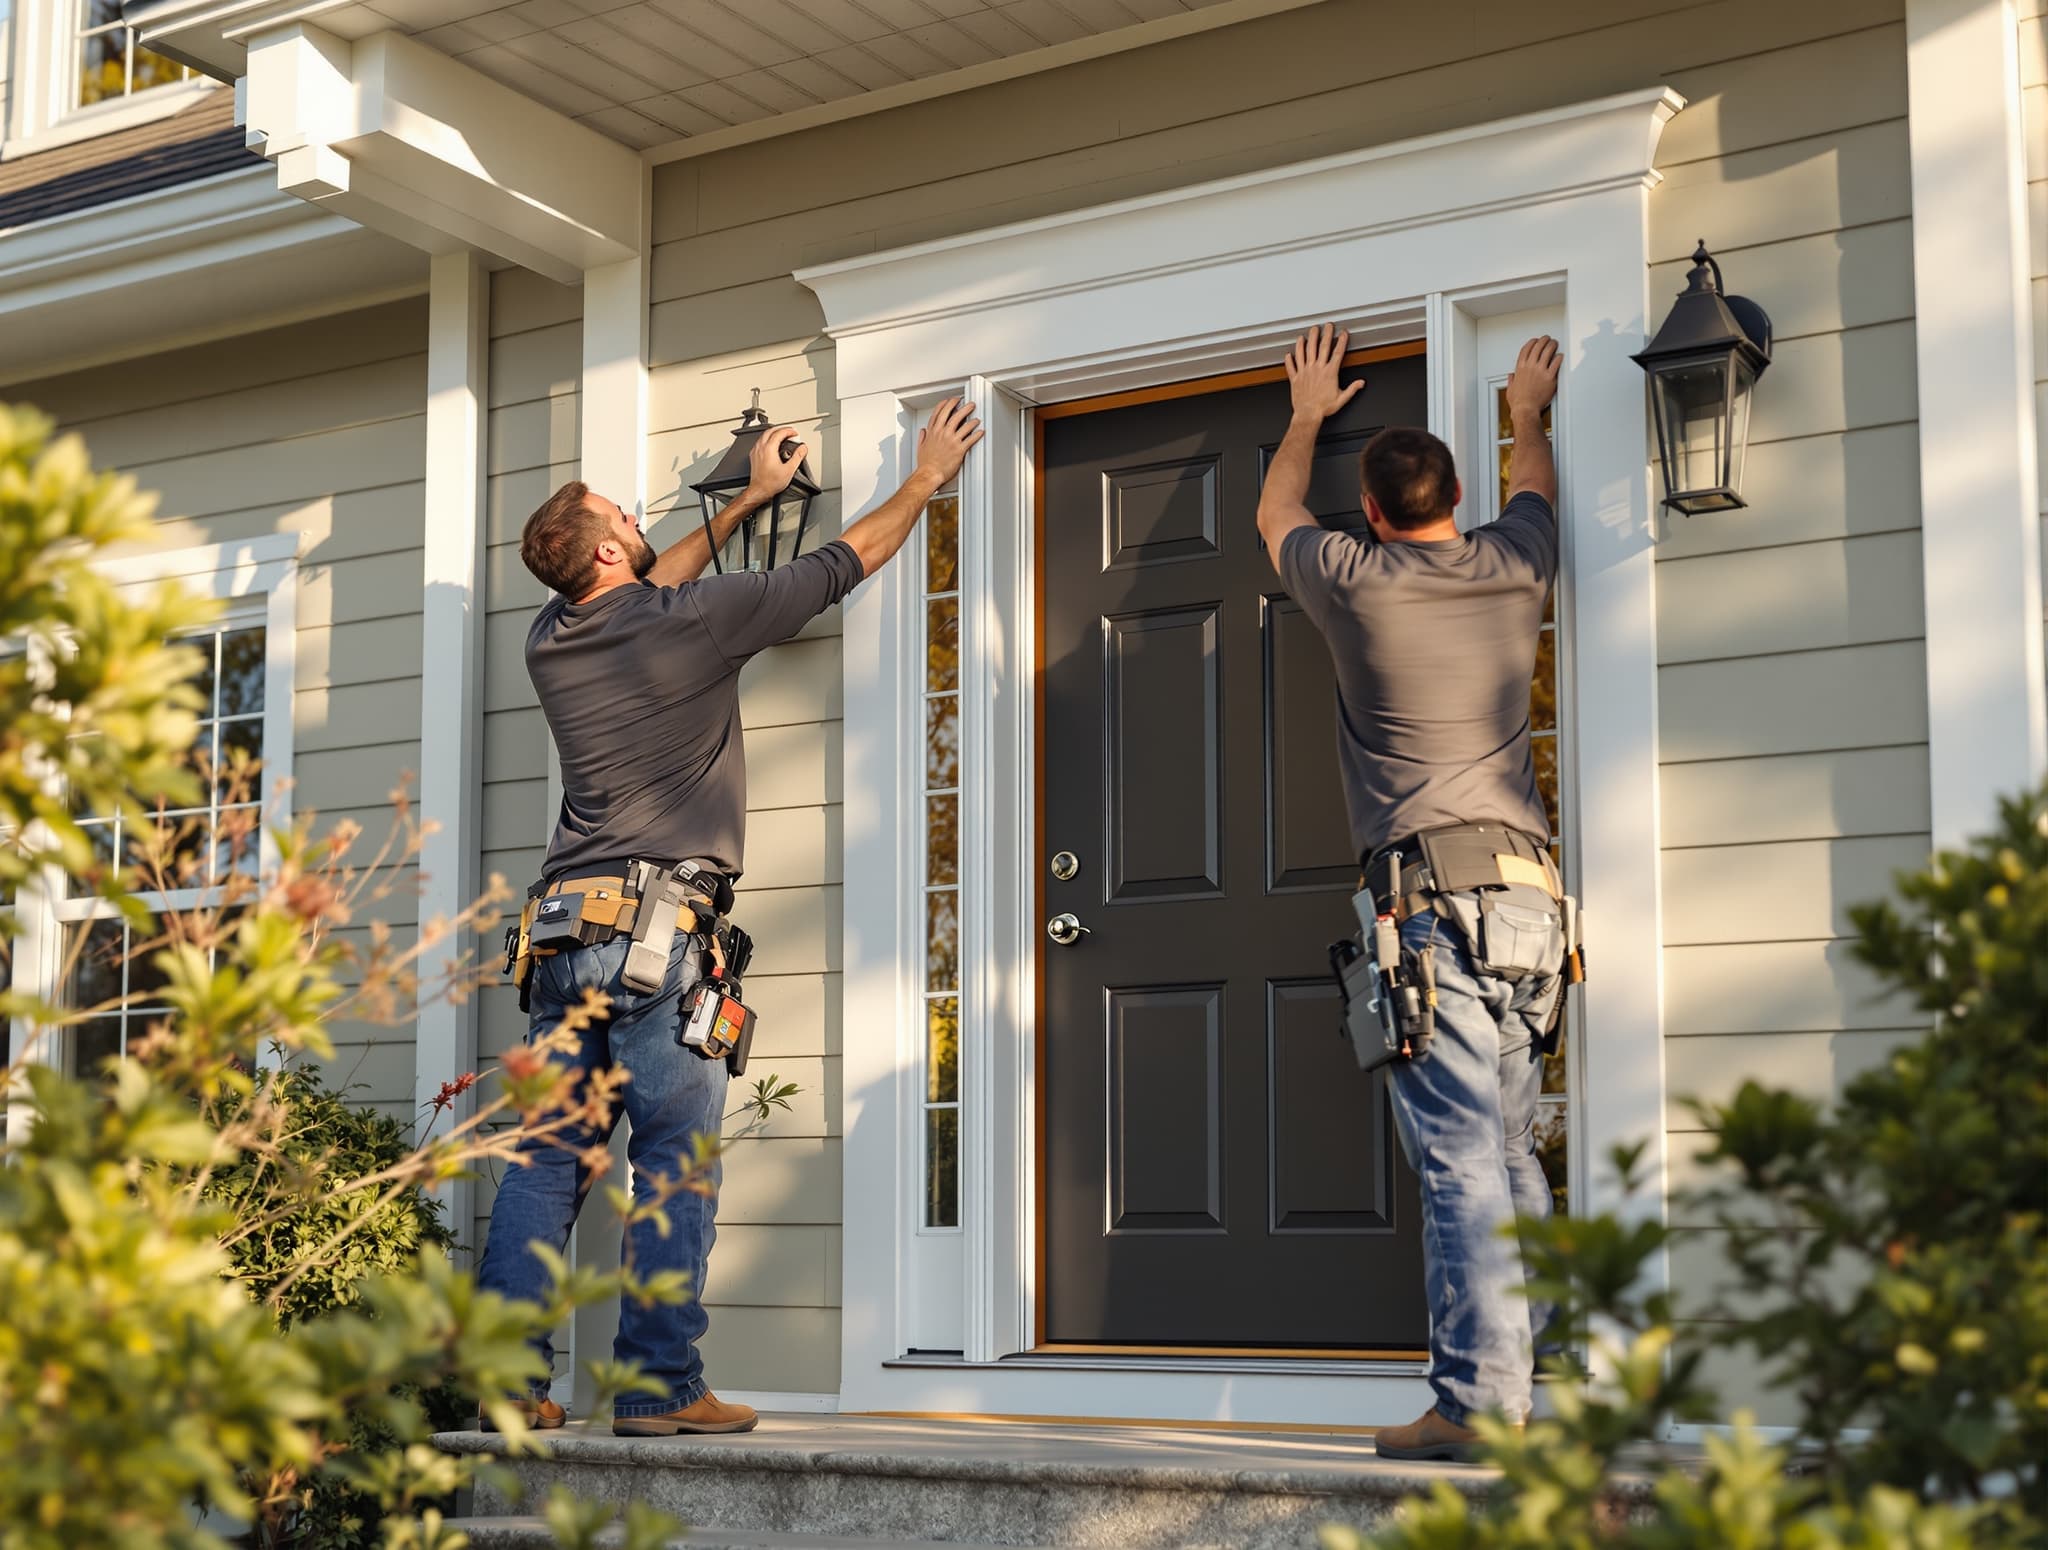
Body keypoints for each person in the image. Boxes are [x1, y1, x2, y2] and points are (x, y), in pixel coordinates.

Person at [477, 399, 986, 1437]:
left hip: (564, 940)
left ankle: (509, 1385)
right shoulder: (694, 621)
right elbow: (843, 560)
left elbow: (651, 577)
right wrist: (923, 478)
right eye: (626, 516)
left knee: (545, 1163)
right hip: (658, 940)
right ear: (615, 546)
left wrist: (749, 495)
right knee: (670, 1158)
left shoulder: (550, 636)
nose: (642, 523)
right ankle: (659, 1387)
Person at [1256, 324, 1567, 1463]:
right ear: (1450, 500)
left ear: (1375, 514)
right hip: (1532, 900)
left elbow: (1272, 517)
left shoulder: (1354, 578)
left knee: (1459, 1159)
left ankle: (1477, 1406)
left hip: (1430, 897)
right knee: (1511, 1145)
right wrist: (1525, 410)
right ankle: (1535, 1385)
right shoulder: (1513, 559)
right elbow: (1531, 485)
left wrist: (1301, 413)